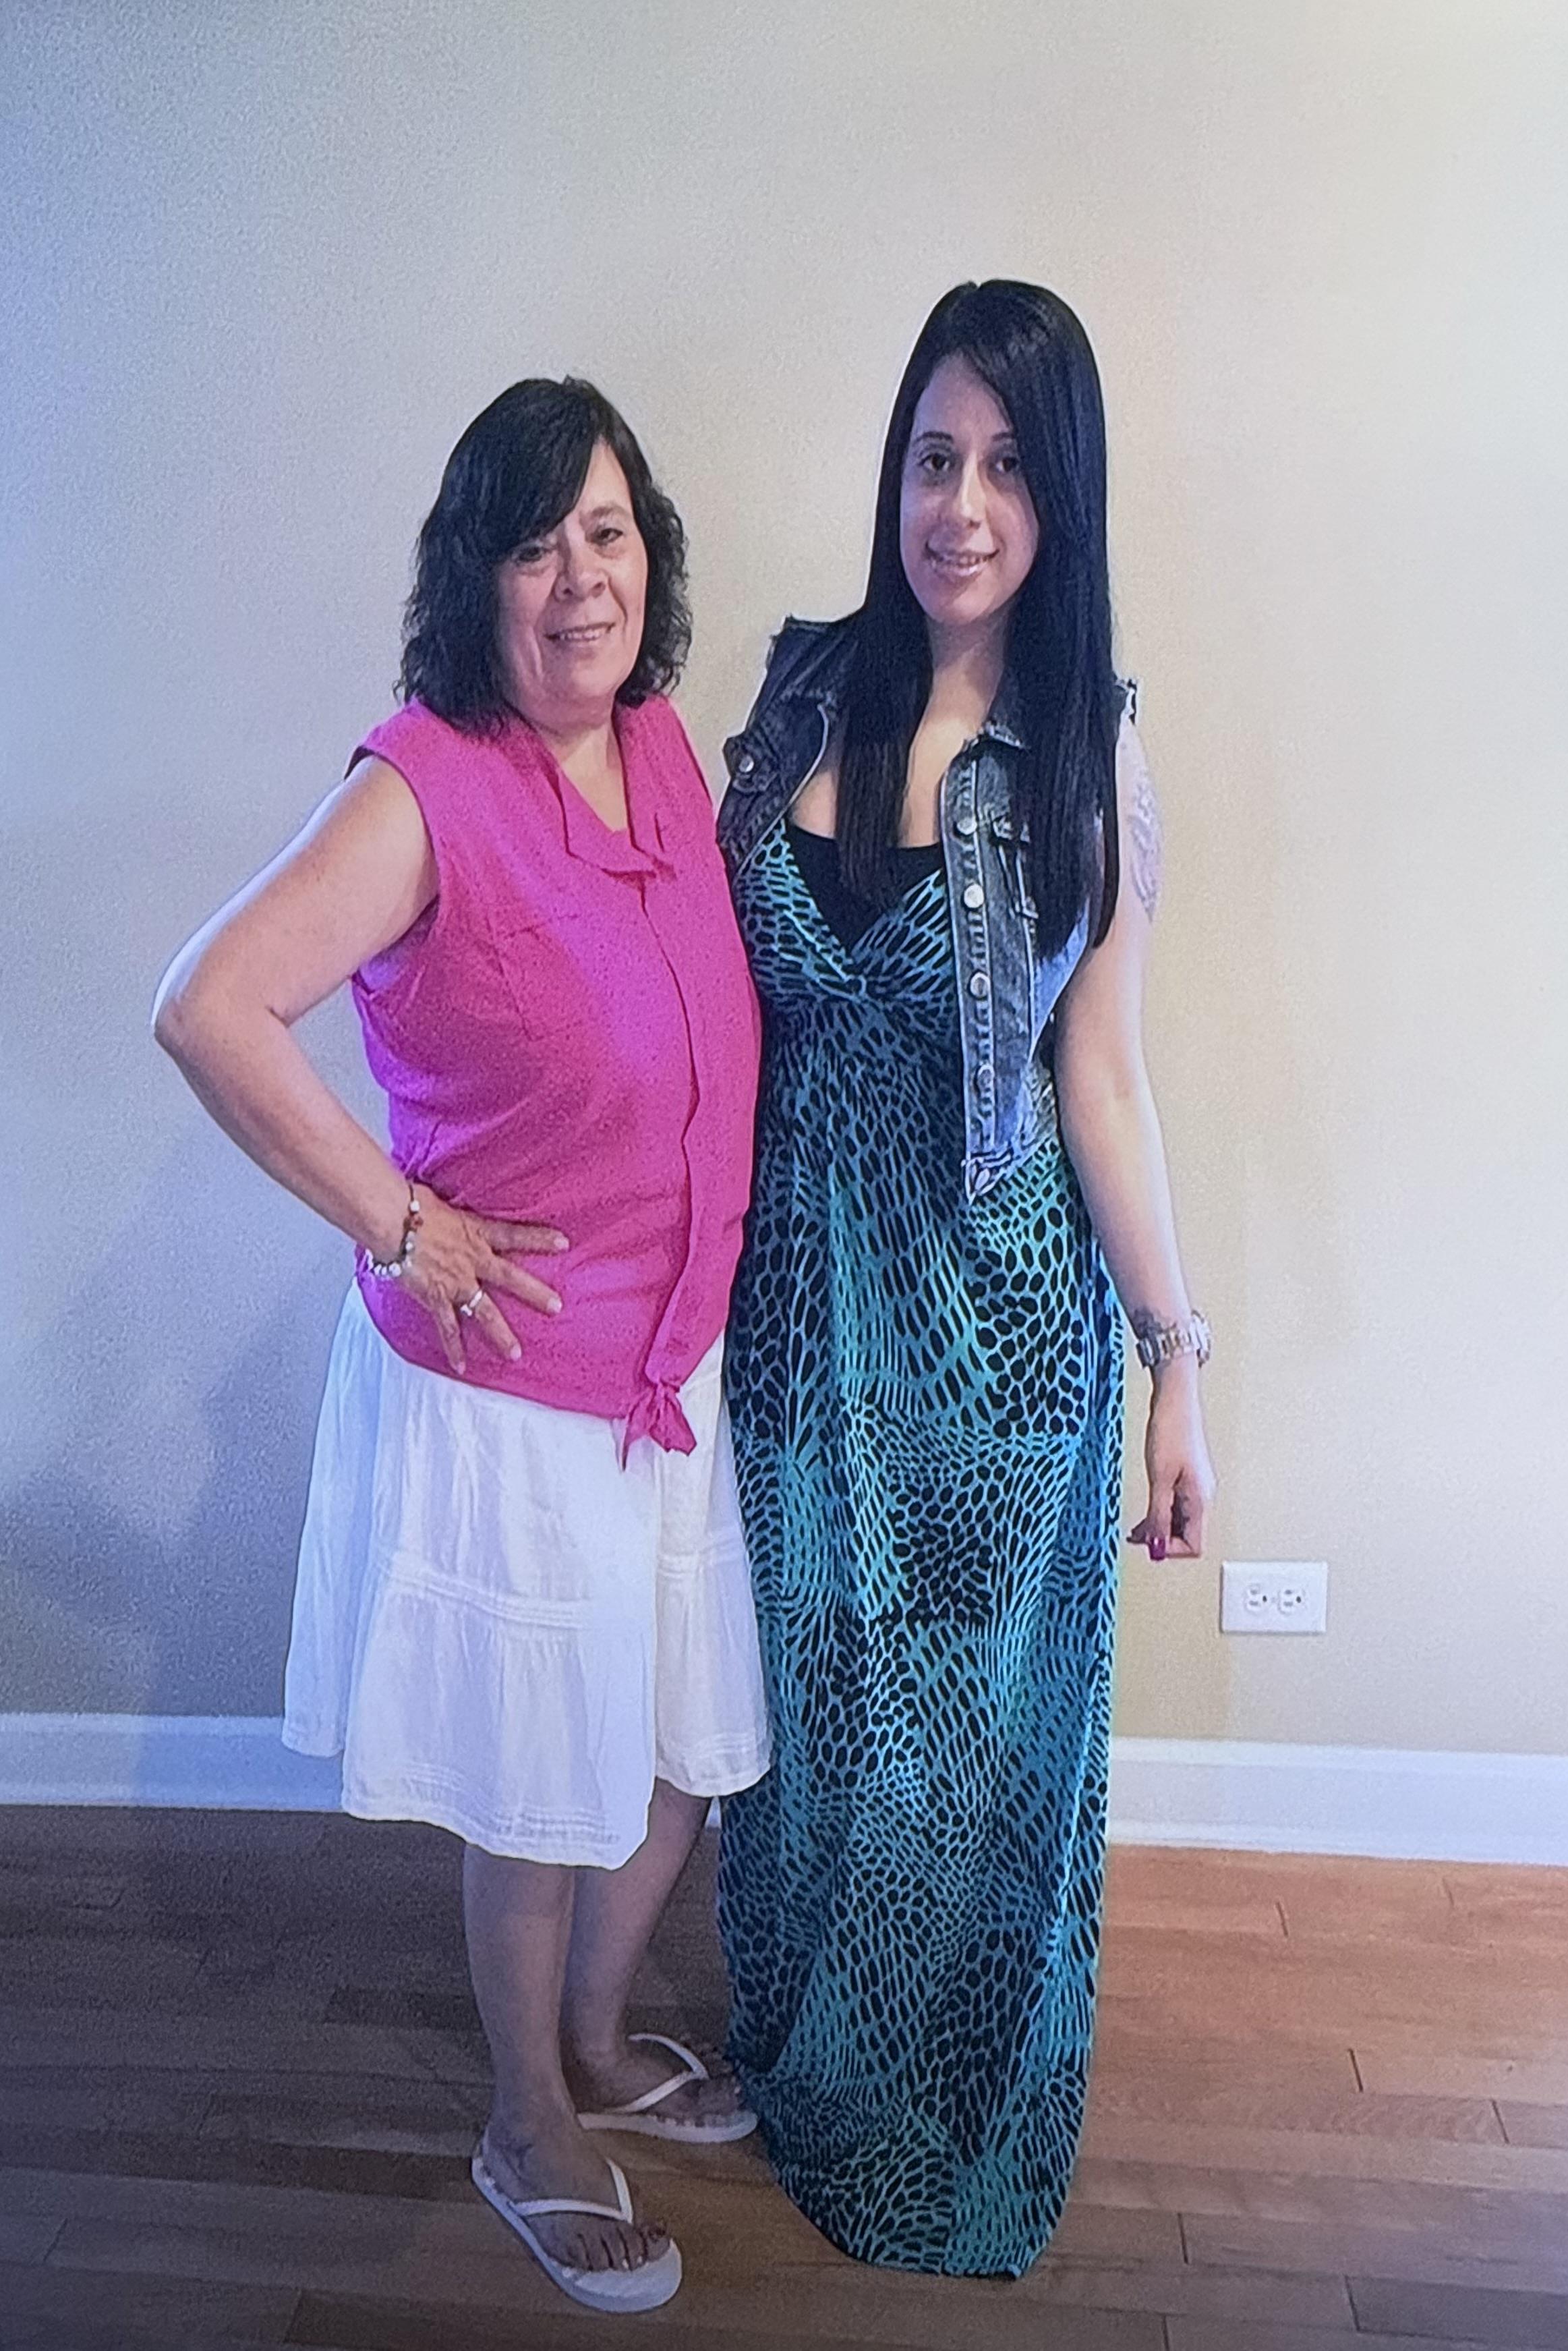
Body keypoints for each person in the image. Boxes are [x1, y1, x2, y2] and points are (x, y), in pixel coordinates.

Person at [152, 378, 767, 2314]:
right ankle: (526, 2118)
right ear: (476, 579)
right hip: (512, 1395)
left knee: (674, 1759)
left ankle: (593, 2046)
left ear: (644, 549)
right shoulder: (425, 783)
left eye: (603, 529)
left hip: (673, 1374)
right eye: (532, 543)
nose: (578, 577)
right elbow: (214, 1004)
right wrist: (402, 1225)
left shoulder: (660, 746)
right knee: (536, 1786)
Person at [714, 280, 1216, 2277]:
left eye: (1008, 465)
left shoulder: (1087, 762)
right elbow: (695, 978)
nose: (963, 504)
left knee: (971, 1755)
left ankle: (948, 2121)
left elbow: (1100, 1075)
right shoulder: (800, 690)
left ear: (1060, 499)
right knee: (818, 1721)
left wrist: (1182, 1368)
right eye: (935, 457)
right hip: (787, 1322)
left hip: (995, 1350)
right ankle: (816, 2072)